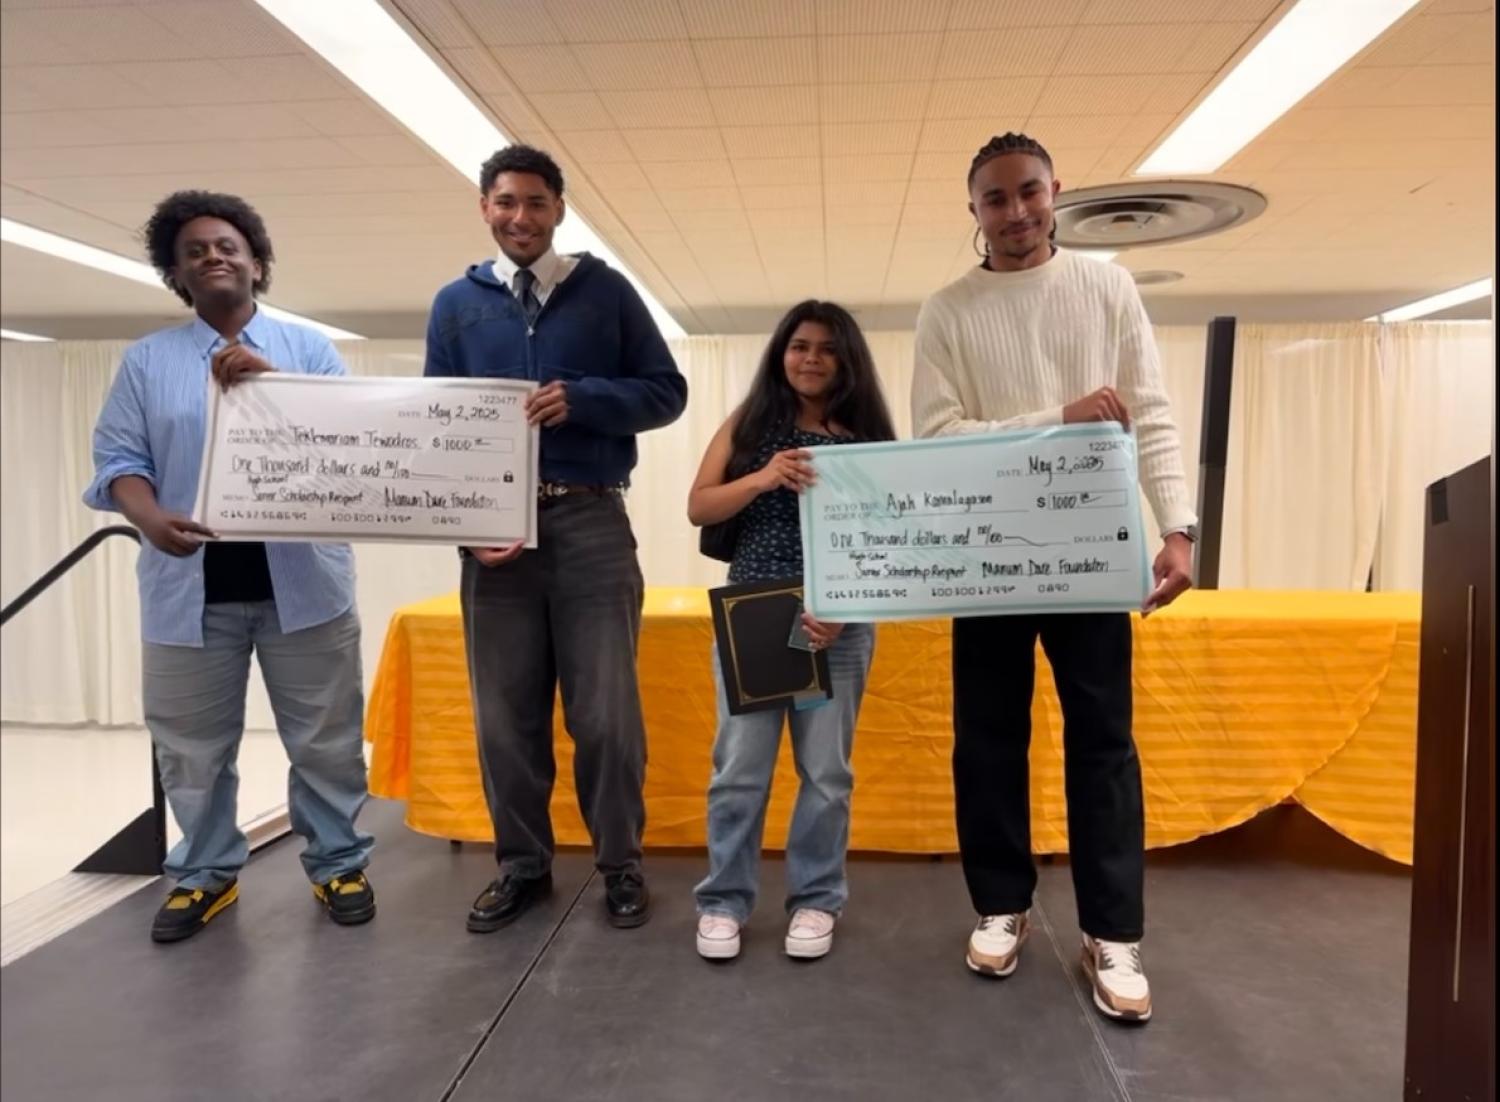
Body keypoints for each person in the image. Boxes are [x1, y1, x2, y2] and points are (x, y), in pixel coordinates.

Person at [910, 133, 1198, 1022]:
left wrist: (1179, 526)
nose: (1017, 212)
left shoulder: (1106, 285)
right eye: (995, 199)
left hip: (1092, 555)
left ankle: (1114, 931)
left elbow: (1147, 408)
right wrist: (1059, 418)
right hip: (989, 561)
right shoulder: (947, 308)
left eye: (1029, 192)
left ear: (1056, 193)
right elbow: (936, 440)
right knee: (987, 738)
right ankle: (1003, 905)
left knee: (1103, 742)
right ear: (975, 213)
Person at [84, 190, 375, 944]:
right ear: (176, 273)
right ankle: (206, 874)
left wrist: (275, 383)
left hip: (303, 585)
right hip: (189, 585)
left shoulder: (309, 349)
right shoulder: (147, 362)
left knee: (325, 736)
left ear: (256, 261)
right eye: (194, 251)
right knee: (189, 745)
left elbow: (354, 449)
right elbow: (120, 460)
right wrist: (147, 517)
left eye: (227, 246)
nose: (213, 256)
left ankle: (338, 862)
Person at [424, 145, 687, 932]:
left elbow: (665, 392)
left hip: (590, 519)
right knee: (504, 717)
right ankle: (523, 867)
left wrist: (586, 399)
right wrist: (467, 529)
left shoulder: (604, 292)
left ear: (559, 209)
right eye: (506, 202)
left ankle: (621, 865)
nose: (521, 217)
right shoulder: (455, 305)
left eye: (537, 203)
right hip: (494, 535)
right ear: (484, 208)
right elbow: (436, 427)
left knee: (606, 714)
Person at [687, 300, 896, 961]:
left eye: (827, 349)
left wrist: (848, 609)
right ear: (781, 352)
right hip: (756, 612)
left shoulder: (871, 441)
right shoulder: (750, 425)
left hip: (840, 621)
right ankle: (723, 902)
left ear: (848, 360)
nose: (810, 359)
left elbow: (894, 540)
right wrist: (763, 476)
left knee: (827, 773)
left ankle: (815, 899)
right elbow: (699, 505)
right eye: (799, 345)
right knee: (739, 771)